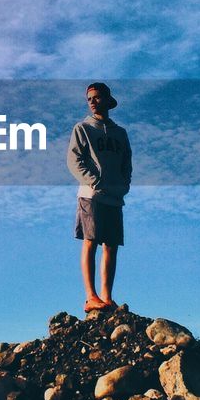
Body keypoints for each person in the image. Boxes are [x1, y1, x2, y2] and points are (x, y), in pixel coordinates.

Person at [67, 82, 132, 313]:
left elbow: (127, 164)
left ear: (107, 99)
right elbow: (74, 161)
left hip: (114, 197)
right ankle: (90, 296)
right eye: (89, 99)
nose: (93, 102)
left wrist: (123, 185)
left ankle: (106, 296)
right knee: (90, 241)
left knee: (111, 246)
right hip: (91, 194)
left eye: (97, 97)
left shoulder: (120, 133)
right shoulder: (82, 128)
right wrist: (94, 181)